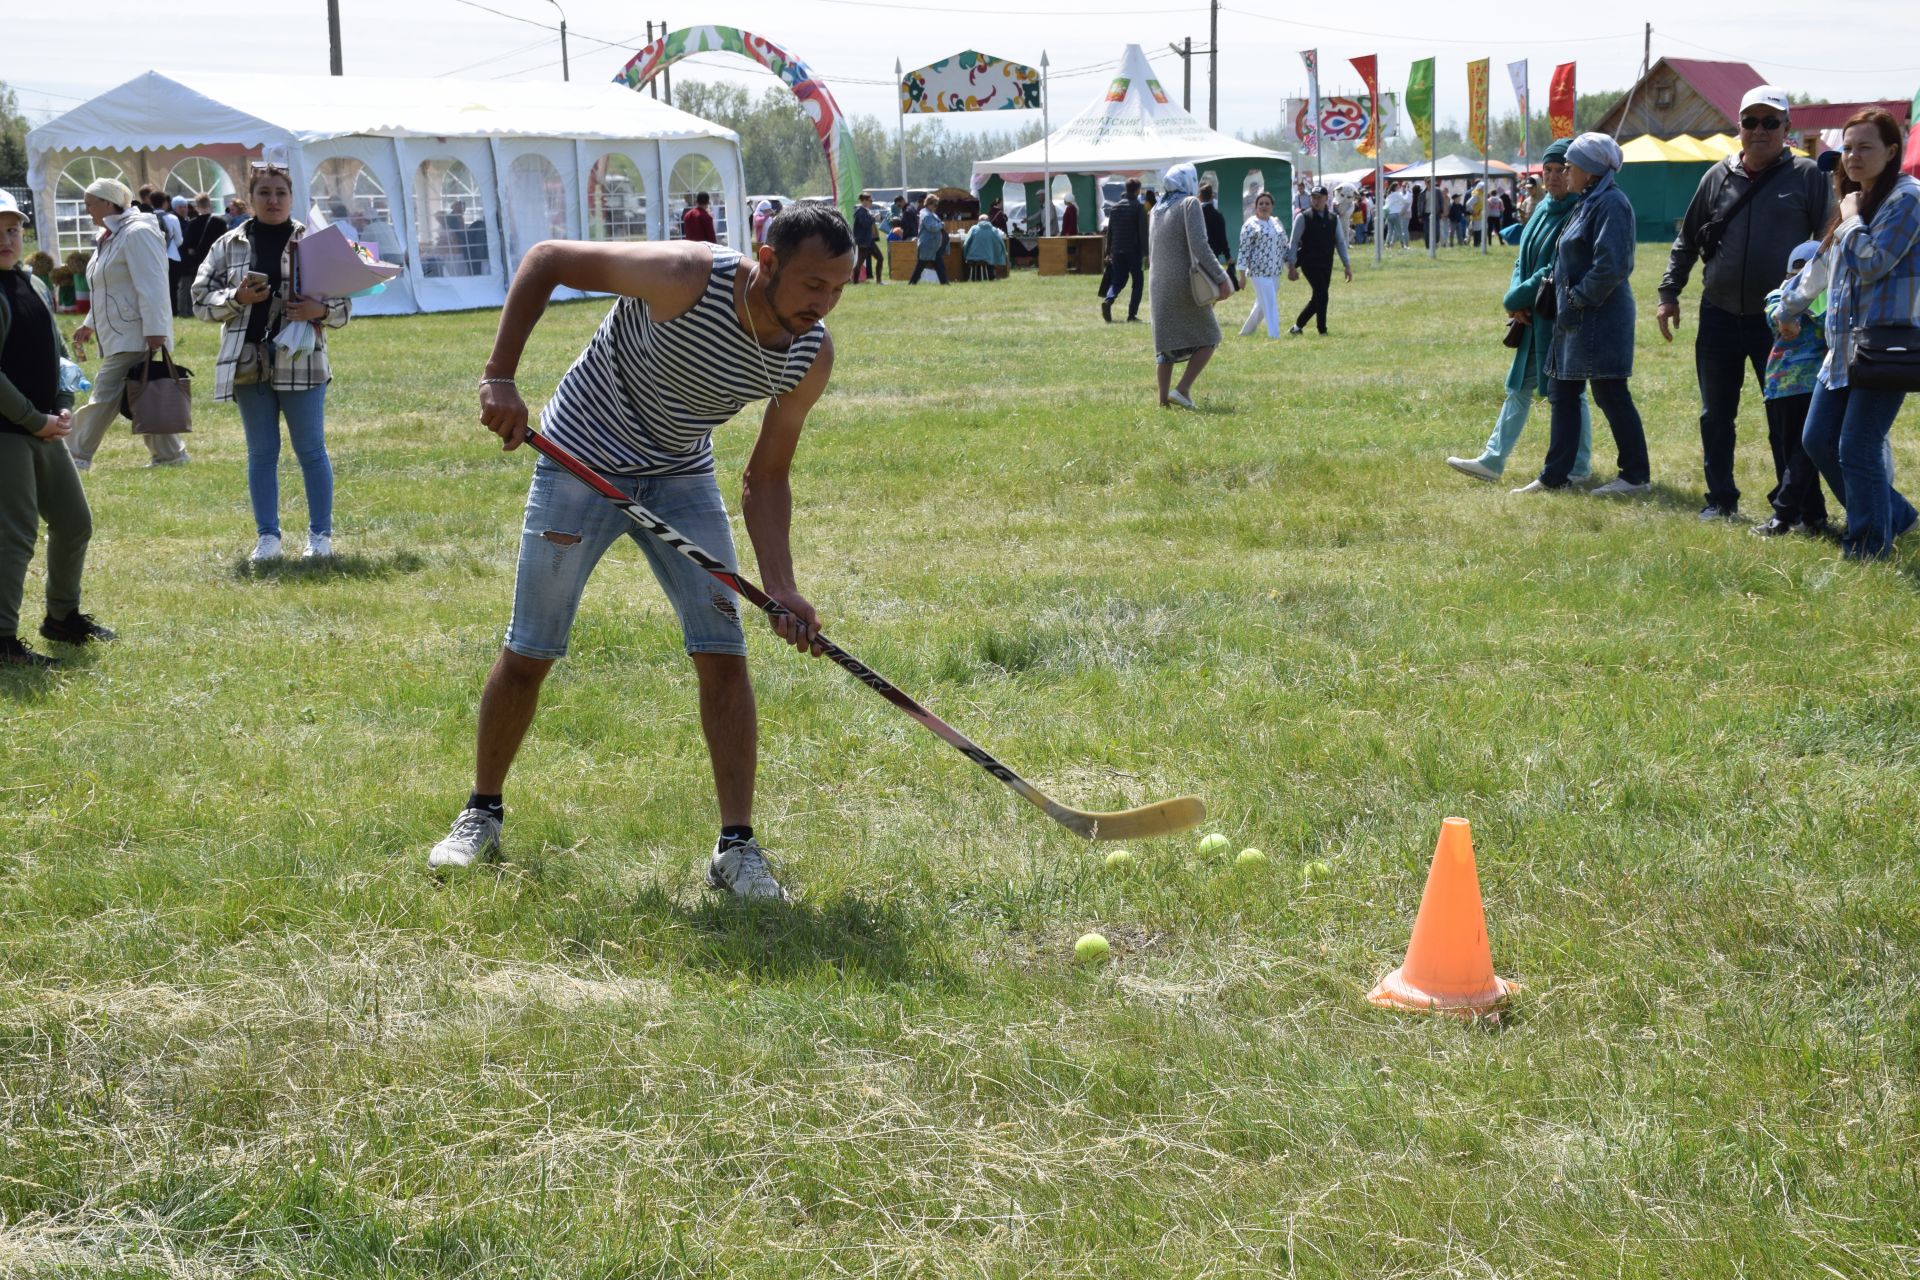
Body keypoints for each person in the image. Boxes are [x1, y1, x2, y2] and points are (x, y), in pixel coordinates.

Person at [426, 203, 857, 900]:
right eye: (813, 284)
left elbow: (766, 476)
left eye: (838, 287)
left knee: (724, 651)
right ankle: (482, 813)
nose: (824, 303)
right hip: (579, 456)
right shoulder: (687, 277)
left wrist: (781, 583)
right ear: (767, 261)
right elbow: (547, 260)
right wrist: (499, 375)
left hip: (680, 472)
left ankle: (736, 850)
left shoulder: (809, 354)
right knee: (532, 649)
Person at [1656, 84, 1832, 521]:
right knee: (1715, 416)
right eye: (1750, 122)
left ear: (1787, 128)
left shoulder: (1807, 176)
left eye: (1770, 122)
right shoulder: (1716, 175)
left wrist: (1808, 304)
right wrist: (1668, 293)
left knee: (1786, 419)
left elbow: (1830, 242)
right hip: (1718, 314)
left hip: (1781, 322)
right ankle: (1721, 500)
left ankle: (1798, 508)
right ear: (1739, 127)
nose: (1759, 130)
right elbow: (1688, 239)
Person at [191, 163, 350, 561]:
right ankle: (268, 538)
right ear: (251, 198)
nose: (273, 200)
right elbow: (199, 299)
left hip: (302, 359)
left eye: (280, 192)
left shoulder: (316, 242)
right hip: (248, 361)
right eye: (264, 192)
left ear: (292, 197)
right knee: (261, 454)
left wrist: (319, 308)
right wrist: (237, 299)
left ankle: (320, 537)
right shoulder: (229, 244)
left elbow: (344, 308)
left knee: (311, 450)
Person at [1784, 109, 1920, 559]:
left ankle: (1867, 549)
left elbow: (1872, 262)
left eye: (1865, 147)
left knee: (1857, 446)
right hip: (1843, 350)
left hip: (1887, 349)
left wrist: (1849, 218)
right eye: (1847, 147)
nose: (1853, 156)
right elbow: (1824, 266)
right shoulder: (1858, 201)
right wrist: (1785, 308)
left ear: (1892, 151)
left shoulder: (1908, 199)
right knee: (1818, 439)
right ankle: (1894, 516)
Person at [0, 190, 109, 669]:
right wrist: (33, 419)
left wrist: (62, 407)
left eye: (12, 229)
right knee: (15, 536)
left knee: (74, 522)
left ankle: (61, 618)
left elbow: (57, 350)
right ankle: (2, 640)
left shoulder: (33, 283)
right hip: (8, 431)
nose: (5, 238)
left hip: (44, 426)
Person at [1447, 137, 1594, 484]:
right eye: (1549, 170)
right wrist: (1516, 296)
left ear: (1575, 173)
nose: (1554, 177)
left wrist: (1517, 300)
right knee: (1521, 389)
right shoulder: (1543, 208)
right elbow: (1522, 259)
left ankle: (1579, 466)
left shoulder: (1579, 212)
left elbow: (1556, 268)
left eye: (1562, 170)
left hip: (1560, 319)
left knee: (1571, 393)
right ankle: (1493, 461)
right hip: (1532, 316)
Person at [1513, 134, 1651, 497]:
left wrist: (1574, 299)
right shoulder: (1589, 201)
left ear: (1589, 170)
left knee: (1610, 393)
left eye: (1570, 166)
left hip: (1599, 319)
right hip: (1573, 320)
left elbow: (1612, 266)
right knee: (1562, 392)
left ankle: (1635, 475)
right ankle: (1554, 476)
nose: (1565, 172)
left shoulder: (1611, 204)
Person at [64, 178, 188, 471]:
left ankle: (73, 455)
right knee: (145, 394)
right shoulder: (109, 235)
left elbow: (154, 285)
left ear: (108, 202)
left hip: (136, 333)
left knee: (104, 395)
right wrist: (90, 324)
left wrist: (156, 330)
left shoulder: (138, 233)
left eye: (89, 204)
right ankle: (171, 456)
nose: (86, 211)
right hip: (121, 333)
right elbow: (106, 287)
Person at [1750, 240, 1833, 537]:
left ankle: (1798, 516)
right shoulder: (1779, 297)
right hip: (1782, 390)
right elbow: (1779, 320)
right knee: (1797, 455)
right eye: (1795, 274)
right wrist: (1799, 305)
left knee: (1804, 454)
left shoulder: (1831, 300)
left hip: (1812, 388)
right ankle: (1799, 516)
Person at [1150, 163, 1232, 409]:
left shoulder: (1155, 208)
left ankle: (1163, 401)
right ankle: (1183, 389)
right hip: (1183, 281)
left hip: (1158, 282)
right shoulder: (1190, 203)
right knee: (1209, 336)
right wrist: (1221, 277)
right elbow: (1200, 245)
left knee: (1165, 346)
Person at [1286, 185, 1351, 336]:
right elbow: (1294, 242)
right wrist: (1292, 265)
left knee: (1318, 297)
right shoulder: (1303, 217)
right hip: (1309, 263)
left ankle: (1297, 327)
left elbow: (1340, 242)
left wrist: (1346, 265)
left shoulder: (1333, 219)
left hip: (1326, 263)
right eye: (1313, 197)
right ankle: (1322, 330)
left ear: (1326, 199)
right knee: (1323, 295)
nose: (1315, 201)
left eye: (1319, 198)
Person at [1236, 191, 1290, 339]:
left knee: (1261, 304)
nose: (1264, 206)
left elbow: (1284, 245)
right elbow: (1243, 250)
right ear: (1256, 206)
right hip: (1258, 272)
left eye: (1267, 203)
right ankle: (1275, 335)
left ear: (1272, 206)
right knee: (1270, 302)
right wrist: (1241, 276)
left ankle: (1246, 332)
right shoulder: (1250, 225)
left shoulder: (1276, 223)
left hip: (1275, 271)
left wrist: (1290, 266)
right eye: (1261, 204)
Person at [1100, 178, 1147, 323]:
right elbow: (1143, 233)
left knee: (1118, 280)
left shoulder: (1115, 208)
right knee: (1137, 282)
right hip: (1134, 250)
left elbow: (1110, 232)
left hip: (1117, 249)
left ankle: (1108, 300)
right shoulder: (1139, 208)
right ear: (1138, 190)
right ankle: (1132, 315)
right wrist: (1146, 253)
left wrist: (1108, 252)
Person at [1199, 183, 1238, 289]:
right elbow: (1222, 238)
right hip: (1212, 254)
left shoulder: (1196, 214)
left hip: (1197, 254)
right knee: (1212, 285)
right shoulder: (1217, 215)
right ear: (1212, 197)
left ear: (1199, 196)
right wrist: (1227, 256)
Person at [909, 196, 948, 285]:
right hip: (927, 245)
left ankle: (945, 283)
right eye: (934, 205)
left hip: (932, 246)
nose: (936, 207)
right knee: (920, 266)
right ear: (929, 204)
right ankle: (912, 283)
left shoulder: (929, 213)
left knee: (939, 265)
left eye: (937, 205)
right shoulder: (926, 215)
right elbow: (932, 227)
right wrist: (941, 225)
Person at [851, 193, 884, 284]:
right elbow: (865, 224)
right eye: (870, 201)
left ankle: (878, 281)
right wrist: (874, 218)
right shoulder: (860, 212)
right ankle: (855, 281)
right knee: (860, 262)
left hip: (868, 241)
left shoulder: (864, 211)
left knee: (880, 258)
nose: (871, 202)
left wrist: (873, 218)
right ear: (864, 201)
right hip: (863, 242)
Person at [962, 214, 1006, 281]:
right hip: (989, 258)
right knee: (990, 259)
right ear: (988, 221)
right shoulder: (994, 230)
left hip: (972, 257)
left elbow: (966, 243)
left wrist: (965, 255)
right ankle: (991, 277)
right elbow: (1001, 244)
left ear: (979, 221)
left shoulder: (974, 228)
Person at [1385, 182, 1411, 249]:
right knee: (1399, 231)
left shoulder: (1389, 195)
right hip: (1396, 214)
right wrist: (1408, 192)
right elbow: (1406, 200)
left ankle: (1387, 244)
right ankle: (1403, 245)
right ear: (1395, 187)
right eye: (1398, 186)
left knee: (1390, 231)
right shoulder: (1397, 194)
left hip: (1389, 215)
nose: (1399, 187)